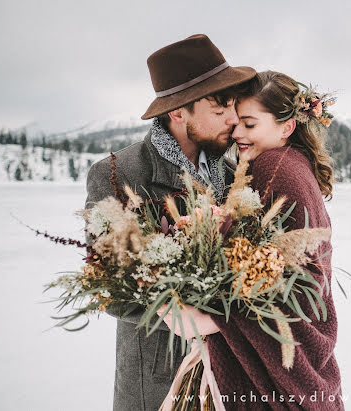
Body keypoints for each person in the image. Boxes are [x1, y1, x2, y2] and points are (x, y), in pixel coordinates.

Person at [84, 34, 257, 411]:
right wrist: (174, 313)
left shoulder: (233, 176)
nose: (233, 118)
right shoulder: (119, 174)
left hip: (229, 379)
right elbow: (105, 283)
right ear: (178, 112)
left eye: (233, 105)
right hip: (157, 381)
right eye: (219, 108)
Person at [173, 70, 344, 410]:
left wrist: (217, 316)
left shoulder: (272, 167)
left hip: (284, 347)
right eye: (236, 123)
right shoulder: (288, 163)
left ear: (286, 127)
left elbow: (294, 281)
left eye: (250, 125)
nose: (236, 132)